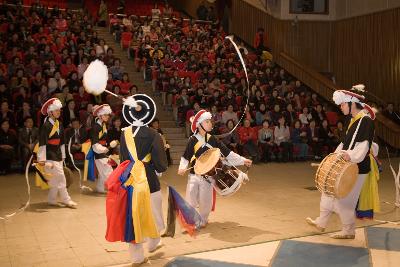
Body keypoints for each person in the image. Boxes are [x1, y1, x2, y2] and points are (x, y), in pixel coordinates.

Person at [306, 86, 379, 239]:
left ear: (352, 103)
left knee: (345, 201)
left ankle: (349, 231)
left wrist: (349, 156)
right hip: (347, 165)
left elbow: (363, 146)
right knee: (328, 191)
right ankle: (321, 222)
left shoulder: (365, 121)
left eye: (343, 104)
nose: (340, 107)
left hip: (358, 167)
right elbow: (345, 143)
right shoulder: (353, 120)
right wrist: (335, 156)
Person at [105, 94, 168, 265]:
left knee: (133, 217)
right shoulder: (154, 134)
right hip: (149, 178)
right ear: (148, 114)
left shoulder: (124, 135)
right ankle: (154, 241)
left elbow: (124, 159)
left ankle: (137, 257)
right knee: (154, 211)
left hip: (131, 178)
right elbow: (161, 164)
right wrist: (157, 167)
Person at [178, 109, 252, 227]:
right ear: (200, 124)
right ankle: (191, 220)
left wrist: (243, 160)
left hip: (208, 176)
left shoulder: (213, 139)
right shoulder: (192, 140)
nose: (210, 123)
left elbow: (227, 154)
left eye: (210, 121)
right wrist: (182, 167)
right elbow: (186, 156)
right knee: (190, 196)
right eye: (207, 121)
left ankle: (203, 220)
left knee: (205, 199)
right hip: (194, 174)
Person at [37, 98, 77, 208]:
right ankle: (66, 199)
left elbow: (62, 142)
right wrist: (42, 159)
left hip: (58, 154)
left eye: (59, 110)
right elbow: (42, 143)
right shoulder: (45, 126)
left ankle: (51, 199)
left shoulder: (59, 124)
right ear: (50, 112)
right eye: (56, 110)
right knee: (61, 177)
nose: (58, 112)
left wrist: (63, 155)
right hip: (50, 155)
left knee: (54, 180)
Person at [89, 104, 113, 193]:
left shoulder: (102, 125)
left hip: (102, 150)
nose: (107, 117)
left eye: (108, 115)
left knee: (104, 171)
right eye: (105, 115)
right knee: (108, 170)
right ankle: (113, 188)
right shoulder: (95, 127)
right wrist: (104, 149)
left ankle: (100, 187)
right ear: (100, 116)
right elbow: (94, 144)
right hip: (98, 151)